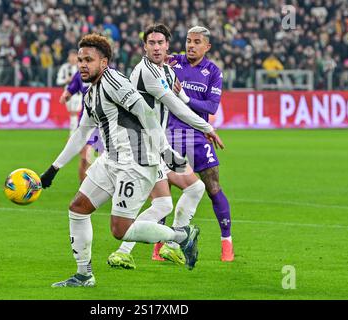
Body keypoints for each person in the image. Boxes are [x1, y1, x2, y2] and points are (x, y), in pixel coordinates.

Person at [40, 34, 201, 288]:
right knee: (78, 209)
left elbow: (145, 112)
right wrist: (52, 170)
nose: (82, 64)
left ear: (103, 62)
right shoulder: (91, 93)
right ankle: (84, 275)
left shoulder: (113, 80)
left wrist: (165, 151)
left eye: (88, 60)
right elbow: (81, 133)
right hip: (111, 160)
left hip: (136, 162)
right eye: (80, 60)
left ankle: (181, 235)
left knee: (120, 229)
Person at [107, 24, 224, 269]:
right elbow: (176, 105)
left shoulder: (167, 72)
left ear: (168, 46)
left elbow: (176, 102)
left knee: (190, 190)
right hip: (139, 146)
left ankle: (165, 246)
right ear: (144, 47)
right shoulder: (145, 71)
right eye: (152, 43)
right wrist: (207, 128)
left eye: (161, 43)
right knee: (162, 202)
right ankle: (136, 248)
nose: (157, 47)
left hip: (154, 145)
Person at [168, 26, 234, 262]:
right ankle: (160, 245)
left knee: (213, 187)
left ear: (207, 47)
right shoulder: (172, 62)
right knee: (160, 189)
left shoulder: (213, 72)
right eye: (188, 41)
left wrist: (185, 97)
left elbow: (211, 107)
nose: (191, 45)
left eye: (197, 42)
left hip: (197, 136)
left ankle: (227, 242)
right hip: (171, 135)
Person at [59, 70, 101, 183]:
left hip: (105, 122)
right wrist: (66, 95)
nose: (83, 63)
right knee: (85, 156)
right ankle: (84, 190)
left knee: (106, 158)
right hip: (86, 122)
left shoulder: (110, 73)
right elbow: (72, 88)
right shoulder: (80, 74)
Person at [57, 50, 81, 136]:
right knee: (72, 112)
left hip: (78, 93)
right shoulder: (64, 67)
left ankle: (72, 134)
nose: (73, 58)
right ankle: (74, 132)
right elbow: (58, 81)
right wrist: (66, 80)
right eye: (71, 56)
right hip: (67, 93)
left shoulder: (81, 66)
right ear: (68, 57)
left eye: (74, 56)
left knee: (74, 112)